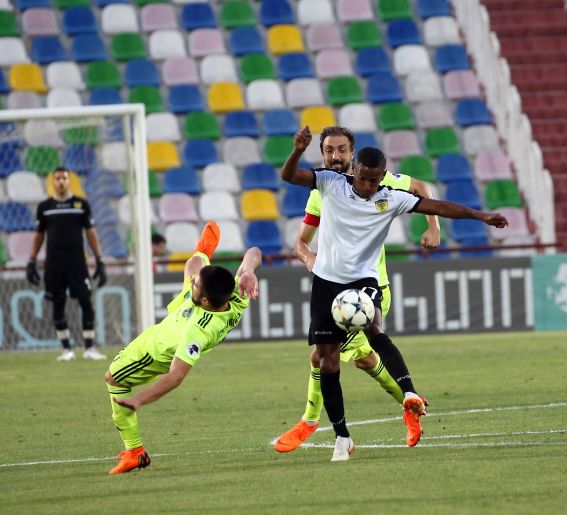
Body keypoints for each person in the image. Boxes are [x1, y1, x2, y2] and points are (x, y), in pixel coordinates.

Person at [281, 126, 507, 461]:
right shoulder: (328, 183)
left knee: (374, 329)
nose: (369, 186)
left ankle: (409, 393)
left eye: (375, 181)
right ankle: (342, 436)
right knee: (326, 358)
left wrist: (481, 216)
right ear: (355, 170)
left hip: (365, 281)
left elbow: (439, 205)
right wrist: (298, 150)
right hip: (327, 282)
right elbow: (289, 177)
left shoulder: (391, 196)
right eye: (365, 179)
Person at [274, 126, 441, 453]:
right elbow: (301, 243)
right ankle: (411, 404)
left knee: (321, 355)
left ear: (352, 153)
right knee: (363, 360)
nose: (335, 156)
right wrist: (310, 260)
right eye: (328, 151)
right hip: (335, 289)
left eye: (341, 150)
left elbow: (421, 187)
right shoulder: (321, 188)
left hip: (370, 290)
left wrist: (433, 226)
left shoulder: (376, 179)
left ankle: (309, 420)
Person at [105, 221, 261, 474]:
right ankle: (203, 251)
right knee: (193, 264)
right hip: (173, 323)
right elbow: (254, 251)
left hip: (155, 352)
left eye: (196, 285)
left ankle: (135, 452)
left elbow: (176, 376)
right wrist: (249, 270)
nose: (193, 284)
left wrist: (139, 400)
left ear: (205, 300)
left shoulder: (198, 331)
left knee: (113, 379)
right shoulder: (236, 295)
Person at [26, 166, 107, 362]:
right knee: (57, 303)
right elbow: (39, 235)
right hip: (54, 264)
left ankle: (89, 348)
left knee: (86, 301)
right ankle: (66, 349)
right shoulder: (44, 207)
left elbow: (90, 233)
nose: (61, 181)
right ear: (52, 182)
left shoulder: (81, 204)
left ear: (69, 181)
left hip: (77, 263)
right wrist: (31, 259)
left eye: (64, 178)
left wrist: (99, 259)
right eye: (57, 178)